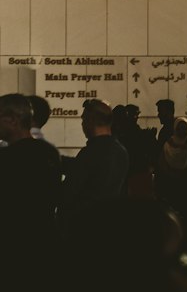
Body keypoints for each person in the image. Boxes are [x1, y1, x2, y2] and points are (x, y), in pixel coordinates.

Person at [0, 92, 62, 290]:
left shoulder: (8, 158)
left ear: (12, 119)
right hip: (45, 241)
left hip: (14, 246)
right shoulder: (49, 153)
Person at [61, 99, 130, 216]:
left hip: (86, 221)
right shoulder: (120, 150)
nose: (82, 124)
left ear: (91, 121)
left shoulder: (91, 152)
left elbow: (69, 190)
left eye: (83, 119)